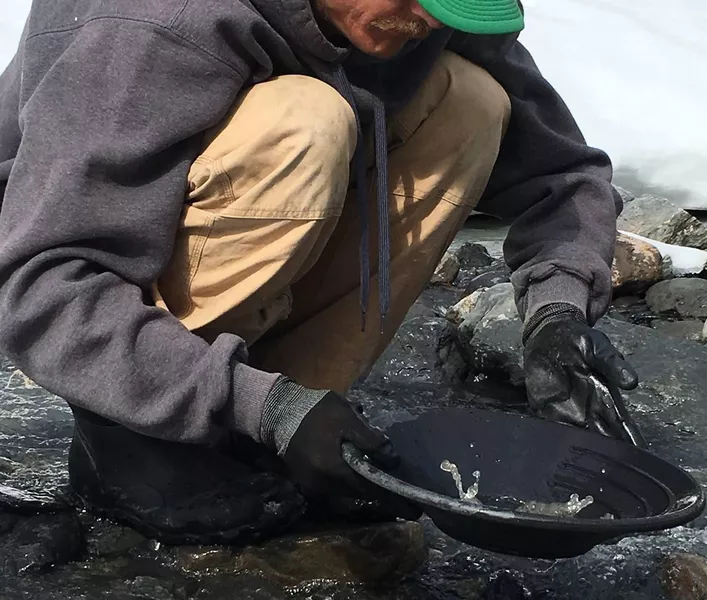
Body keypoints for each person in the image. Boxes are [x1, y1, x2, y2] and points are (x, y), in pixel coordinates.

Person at [0, 0, 642, 544]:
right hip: (64, 244)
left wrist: (558, 306)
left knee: (472, 101)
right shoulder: (153, 24)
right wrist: (260, 405)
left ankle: (283, 412)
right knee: (304, 122)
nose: (424, 19)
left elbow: (562, 172)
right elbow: (43, 284)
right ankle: (135, 433)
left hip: (174, 242)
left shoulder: (421, 14)